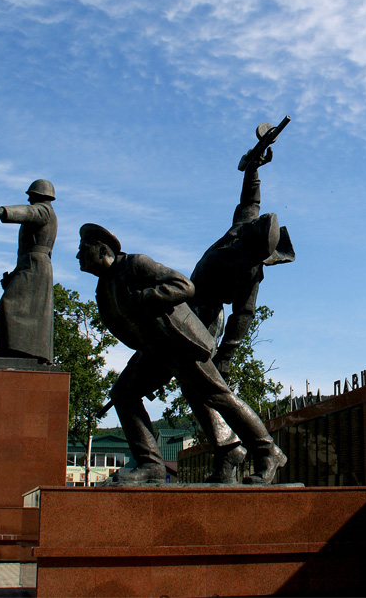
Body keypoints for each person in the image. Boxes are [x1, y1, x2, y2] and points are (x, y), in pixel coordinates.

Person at [77, 223, 286, 485]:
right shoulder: (105, 286)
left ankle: (268, 452)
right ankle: (151, 465)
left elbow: (184, 286)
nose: (77, 256)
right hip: (154, 348)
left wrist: (145, 298)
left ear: (102, 249)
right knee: (124, 393)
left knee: (217, 396)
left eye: (82, 250)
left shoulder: (136, 264)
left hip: (181, 342)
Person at [188, 145, 295, 482]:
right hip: (190, 306)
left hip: (206, 318)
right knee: (197, 388)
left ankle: (264, 451)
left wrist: (227, 354)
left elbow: (243, 314)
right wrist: (254, 167)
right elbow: (250, 198)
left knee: (209, 386)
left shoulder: (251, 270)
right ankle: (228, 454)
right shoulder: (243, 228)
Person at [0, 179, 57, 364]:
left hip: (35, 267)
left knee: (9, 304)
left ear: (40, 195)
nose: (29, 197)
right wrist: (14, 274)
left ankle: (20, 350)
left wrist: (3, 211)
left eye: (31, 194)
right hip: (32, 265)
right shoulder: (44, 212)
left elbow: (28, 212)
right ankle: (16, 349)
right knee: (19, 307)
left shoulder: (44, 211)